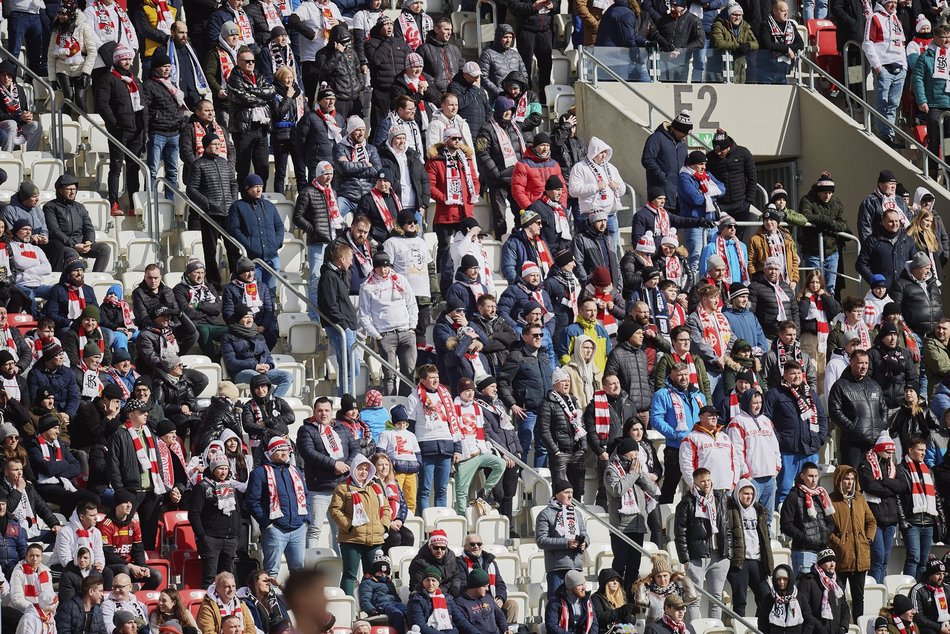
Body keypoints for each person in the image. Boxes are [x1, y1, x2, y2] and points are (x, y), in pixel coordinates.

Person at [246, 437, 310, 576]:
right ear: (271, 452)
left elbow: (305, 495)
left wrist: (306, 520)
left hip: (298, 528)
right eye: (279, 450)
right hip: (275, 529)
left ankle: (295, 598)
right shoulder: (259, 473)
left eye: (286, 450)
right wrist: (267, 523)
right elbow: (252, 501)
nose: (284, 453)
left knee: (299, 573)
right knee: (271, 572)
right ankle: (270, 598)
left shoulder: (295, 471)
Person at [674, 467, 731, 620]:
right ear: (695, 482)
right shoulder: (687, 502)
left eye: (708, 480)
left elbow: (727, 526)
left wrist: (728, 553)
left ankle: (714, 630)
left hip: (719, 555)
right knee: (694, 598)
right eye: (702, 481)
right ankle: (695, 629)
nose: (706, 484)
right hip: (697, 556)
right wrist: (685, 559)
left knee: (716, 598)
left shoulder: (720, 498)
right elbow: (680, 532)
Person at [330, 453, 390, 596]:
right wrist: (350, 526)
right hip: (351, 539)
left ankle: (370, 606)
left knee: (372, 576)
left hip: (374, 540)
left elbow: (386, 508)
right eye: (360, 469)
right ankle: (349, 608)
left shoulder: (376, 488)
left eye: (365, 469)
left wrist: (384, 526)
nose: (363, 472)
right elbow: (335, 511)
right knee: (350, 575)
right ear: (353, 470)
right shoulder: (342, 488)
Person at [406, 365, 462, 511]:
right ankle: (426, 525)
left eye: (437, 377)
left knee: (442, 489)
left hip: (446, 446)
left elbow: (454, 421)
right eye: (432, 377)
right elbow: (410, 426)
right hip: (425, 446)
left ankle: (440, 524)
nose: (436, 380)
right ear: (423, 380)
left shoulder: (445, 394)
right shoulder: (414, 397)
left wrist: (457, 448)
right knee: (425, 489)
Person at [498, 322, 554, 467]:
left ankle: (537, 482)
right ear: (524, 337)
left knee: (543, 448)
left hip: (545, 410)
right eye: (535, 335)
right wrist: (512, 404)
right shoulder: (516, 356)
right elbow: (503, 381)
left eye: (540, 335)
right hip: (526, 411)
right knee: (524, 446)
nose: (538, 338)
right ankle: (522, 480)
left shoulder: (544, 355)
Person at [826, 464, 876, 621]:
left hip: (861, 556)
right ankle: (842, 627)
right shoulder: (830, 500)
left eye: (852, 479)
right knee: (838, 597)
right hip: (841, 557)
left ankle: (858, 627)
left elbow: (871, 521)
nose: (849, 482)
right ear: (838, 480)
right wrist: (838, 544)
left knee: (858, 598)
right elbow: (826, 528)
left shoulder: (860, 498)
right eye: (846, 478)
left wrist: (867, 539)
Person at [475, 96, 525, 240]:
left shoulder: (515, 127)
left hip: (516, 179)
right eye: (505, 109)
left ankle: (518, 241)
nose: (508, 112)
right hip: (497, 181)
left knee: (520, 213)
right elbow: (482, 153)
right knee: (500, 217)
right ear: (499, 110)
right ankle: (501, 242)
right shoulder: (487, 129)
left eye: (510, 110)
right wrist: (496, 173)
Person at [188, 451, 240, 587]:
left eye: (225, 468)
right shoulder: (202, 486)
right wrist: (203, 537)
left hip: (230, 539)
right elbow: (194, 514)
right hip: (211, 539)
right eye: (220, 468)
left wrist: (236, 533)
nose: (223, 472)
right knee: (210, 578)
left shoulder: (230, 486)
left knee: (228, 578)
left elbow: (237, 511)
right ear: (213, 469)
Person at [829, 350, 887, 468]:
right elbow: (835, 411)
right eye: (860, 363)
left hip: (874, 442)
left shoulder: (874, 385)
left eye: (866, 363)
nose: (864, 366)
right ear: (851, 363)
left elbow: (883, 408)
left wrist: (881, 426)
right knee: (852, 479)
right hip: (852, 443)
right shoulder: (840, 386)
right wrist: (852, 427)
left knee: (874, 479)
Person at [863, 0, 907, 146]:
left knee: (893, 104)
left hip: (899, 68)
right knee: (882, 103)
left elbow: (901, 44)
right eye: (890, 2)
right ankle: (885, 136)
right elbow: (867, 43)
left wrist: (904, 66)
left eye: (895, 2)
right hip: (884, 68)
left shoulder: (896, 19)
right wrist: (877, 67)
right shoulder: (874, 17)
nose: (893, 5)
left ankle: (891, 135)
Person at [798, 172, 850, 294]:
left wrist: (828, 225)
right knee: (814, 285)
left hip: (832, 251)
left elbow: (843, 224)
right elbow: (806, 216)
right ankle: (814, 310)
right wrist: (827, 220)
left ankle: (829, 312)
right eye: (825, 192)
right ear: (818, 191)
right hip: (812, 250)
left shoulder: (836, 202)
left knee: (830, 287)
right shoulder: (807, 200)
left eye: (830, 193)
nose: (828, 195)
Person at [899, 436, 942, 578]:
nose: (923, 453)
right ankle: (909, 589)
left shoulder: (928, 470)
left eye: (924, 450)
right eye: (920, 450)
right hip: (912, 521)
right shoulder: (902, 469)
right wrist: (903, 519)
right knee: (914, 558)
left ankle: (920, 590)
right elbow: (898, 497)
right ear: (910, 450)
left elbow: (935, 495)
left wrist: (940, 519)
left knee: (924, 561)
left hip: (928, 522)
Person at [536, 480, 588, 598]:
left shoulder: (577, 513)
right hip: (557, 568)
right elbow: (541, 540)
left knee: (577, 606)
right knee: (556, 605)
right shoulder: (545, 514)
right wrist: (566, 543)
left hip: (576, 566)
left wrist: (585, 543)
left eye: (571, 492)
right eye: (566, 492)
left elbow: (585, 534)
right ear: (557, 494)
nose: (570, 495)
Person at [780, 462, 835, 572]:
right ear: (802, 476)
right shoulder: (793, 496)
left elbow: (830, 520)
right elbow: (785, 525)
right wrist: (805, 537)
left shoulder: (821, 494)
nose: (814, 480)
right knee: (804, 586)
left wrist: (826, 533)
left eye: (816, 476)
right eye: (810, 476)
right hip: (803, 551)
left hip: (822, 551)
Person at [406, 566, 464, 634]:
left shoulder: (447, 599)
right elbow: (421, 626)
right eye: (427, 580)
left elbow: (461, 621)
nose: (430, 584)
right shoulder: (416, 600)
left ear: (438, 582)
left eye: (433, 580)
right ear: (423, 581)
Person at [757, 0, 803, 85]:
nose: (786, 13)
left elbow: (800, 44)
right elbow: (768, 45)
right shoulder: (765, 25)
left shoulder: (791, 25)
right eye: (782, 11)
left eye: (787, 11)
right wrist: (787, 49)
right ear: (774, 11)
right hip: (767, 69)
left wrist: (787, 49)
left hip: (783, 70)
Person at [544, 569, 597, 634]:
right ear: (570, 587)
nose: (584, 587)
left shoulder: (586, 600)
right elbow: (551, 626)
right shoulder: (555, 602)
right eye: (579, 585)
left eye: (583, 584)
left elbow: (593, 622)